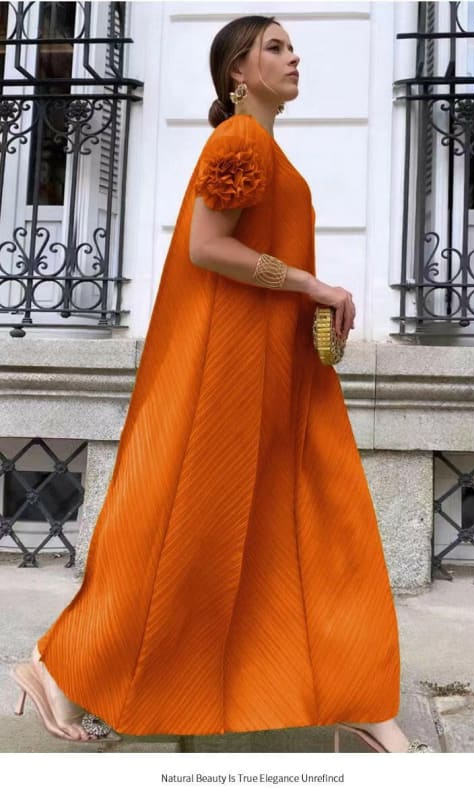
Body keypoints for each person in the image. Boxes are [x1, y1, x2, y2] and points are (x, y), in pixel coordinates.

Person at [11, 15, 432, 753]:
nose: (293, 55)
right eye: (274, 47)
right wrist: (310, 282)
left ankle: (361, 698)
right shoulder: (238, 140)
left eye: (290, 44)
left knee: (307, 530)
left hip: (274, 372)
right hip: (229, 378)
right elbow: (207, 248)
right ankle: (57, 667)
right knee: (198, 538)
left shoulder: (262, 144)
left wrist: (306, 297)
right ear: (237, 71)